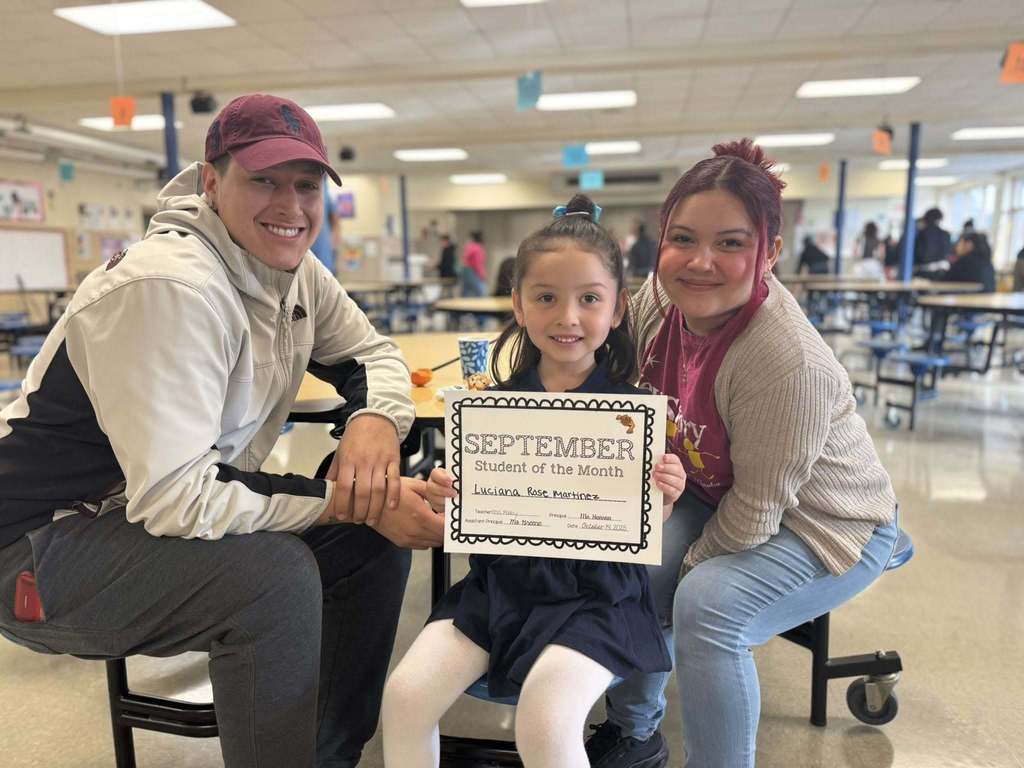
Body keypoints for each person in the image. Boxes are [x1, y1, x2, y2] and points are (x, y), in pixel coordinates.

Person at [0, 94, 444, 768]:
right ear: (211, 182)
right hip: (37, 548)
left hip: (142, 518)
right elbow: (182, 499)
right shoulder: (169, 289)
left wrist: (375, 420)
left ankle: (325, 757)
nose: (290, 206)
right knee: (274, 578)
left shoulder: (294, 270)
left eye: (306, 185)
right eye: (264, 180)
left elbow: (373, 354)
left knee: (366, 543)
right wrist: (349, 499)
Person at [584, 139, 898, 768]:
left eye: (730, 243)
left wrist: (672, 580)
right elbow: (603, 366)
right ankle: (634, 732)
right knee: (630, 562)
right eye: (682, 239)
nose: (700, 262)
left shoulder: (786, 361)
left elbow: (755, 516)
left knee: (706, 605)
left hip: (826, 521)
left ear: (769, 253)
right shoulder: (660, 300)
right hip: (713, 489)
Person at [381, 194, 686, 768]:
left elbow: (641, 525)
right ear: (518, 305)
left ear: (617, 309)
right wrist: (450, 495)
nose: (567, 317)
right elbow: (471, 515)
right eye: (546, 298)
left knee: (546, 719)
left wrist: (662, 496)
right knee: (404, 698)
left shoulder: (634, 415)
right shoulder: (490, 410)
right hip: (501, 591)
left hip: (599, 599)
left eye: (589, 299)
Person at [914, 207, 952, 272]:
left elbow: (919, 254)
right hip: (942, 271)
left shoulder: (922, 233)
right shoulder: (946, 235)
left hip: (923, 271)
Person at [461, 230, 489, 296]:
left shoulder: (469, 246)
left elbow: (464, 258)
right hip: (473, 271)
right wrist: (483, 275)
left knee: (466, 292)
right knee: (482, 291)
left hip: (465, 270)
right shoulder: (478, 248)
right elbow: (477, 264)